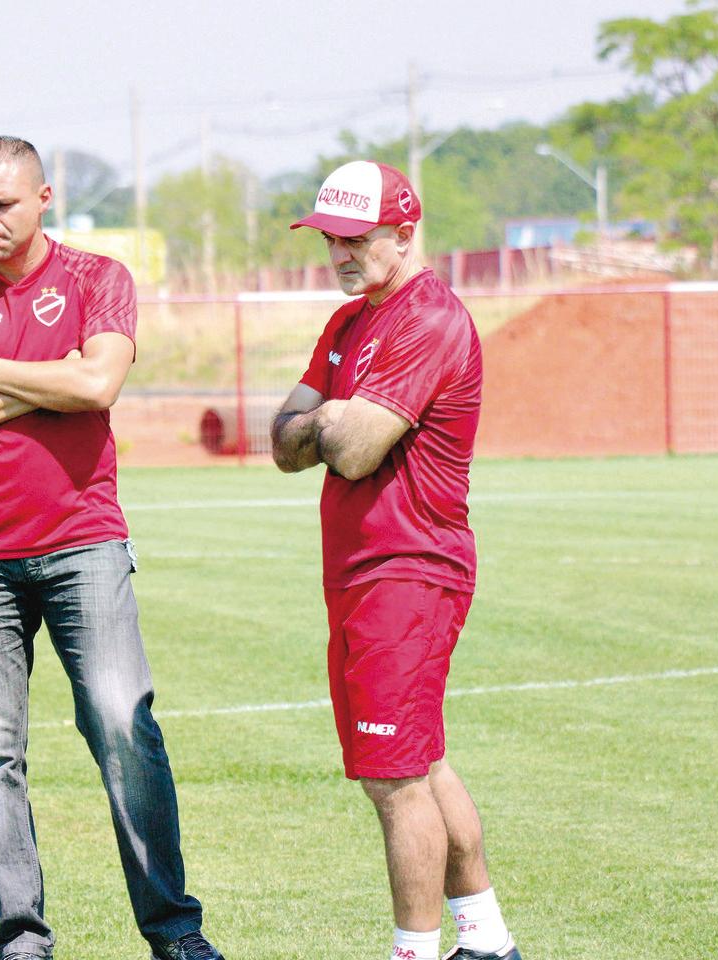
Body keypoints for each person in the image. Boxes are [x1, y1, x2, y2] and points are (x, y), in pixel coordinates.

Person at [0, 136, 222, 960]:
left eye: (2, 204)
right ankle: (23, 939)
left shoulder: (96, 280)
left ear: (45, 199)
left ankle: (175, 933)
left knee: (122, 726)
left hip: (83, 542)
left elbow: (97, 385)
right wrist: (43, 384)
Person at [271, 160, 522, 960]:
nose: (339, 254)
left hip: (409, 568)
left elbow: (350, 450)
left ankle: (413, 953)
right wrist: (330, 420)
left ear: (405, 233)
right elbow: (285, 441)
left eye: (356, 239)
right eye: (329, 240)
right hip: (361, 571)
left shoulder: (428, 319)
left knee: (394, 778)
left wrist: (333, 420)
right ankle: (486, 942)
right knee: (418, 761)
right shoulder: (349, 324)